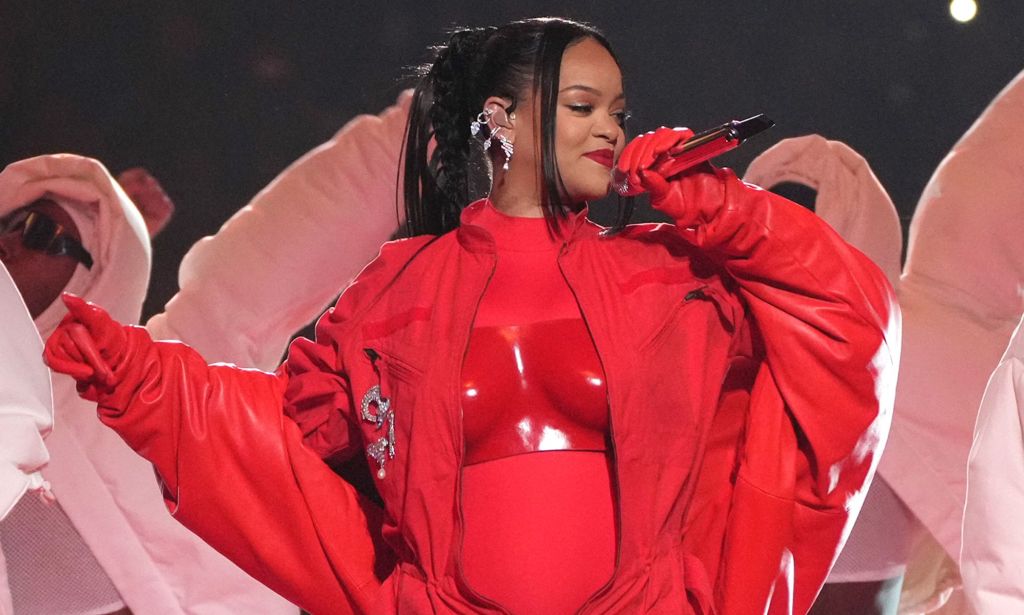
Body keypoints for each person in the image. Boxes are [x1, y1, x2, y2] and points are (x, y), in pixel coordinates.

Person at [44, 18, 899, 615]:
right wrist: (142, 375)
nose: (612, 128)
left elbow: (850, 324)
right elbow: (283, 434)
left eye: (618, 110)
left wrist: (721, 206)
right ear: (501, 121)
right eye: (584, 106)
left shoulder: (668, 277)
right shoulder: (400, 289)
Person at [0, 154, 294, 613]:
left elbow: (331, 204)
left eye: (40, 231)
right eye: (9, 224)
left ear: (90, 277)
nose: (9, 241)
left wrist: (431, 124)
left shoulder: (171, 369)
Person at [743, 135, 913, 615]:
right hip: (765, 530)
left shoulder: (896, 328)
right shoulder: (727, 306)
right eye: (778, 211)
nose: (793, 231)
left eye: (808, 214)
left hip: (862, 526)